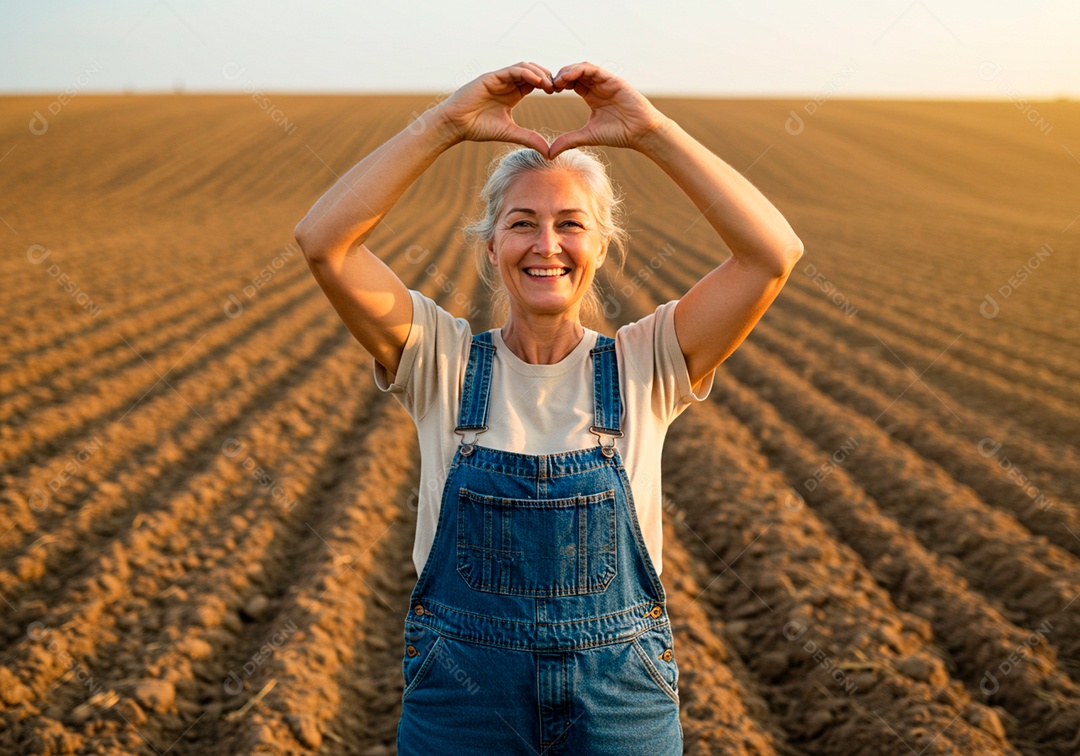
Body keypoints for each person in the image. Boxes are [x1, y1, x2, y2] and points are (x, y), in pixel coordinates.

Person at [294, 61, 802, 756]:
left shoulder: (644, 362)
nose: (546, 246)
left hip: (619, 702)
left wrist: (652, 131)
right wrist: (445, 123)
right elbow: (323, 240)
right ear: (492, 242)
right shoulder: (438, 359)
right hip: (463, 702)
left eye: (571, 225)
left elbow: (772, 253)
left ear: (601, 245)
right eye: (522, 223)